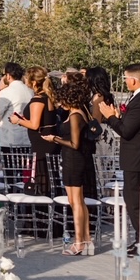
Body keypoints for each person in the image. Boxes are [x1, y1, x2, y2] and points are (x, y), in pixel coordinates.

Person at [97, 63, 140, 258]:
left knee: (139, 202)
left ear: (133, 80)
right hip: (137, 158)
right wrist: (118, 116)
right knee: (134, 200)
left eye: (126, 79)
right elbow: (130, 125)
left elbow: (126, 131)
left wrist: (110, 117)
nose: (125, 82)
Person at [44, 80, 96, 255]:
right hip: (74, 159)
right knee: (79, 201)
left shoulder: (75, 115)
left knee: (75, 202)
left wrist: (54, 139)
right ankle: (87, 240)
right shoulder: (81, 111)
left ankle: (79, 241)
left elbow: (74, 143)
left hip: (73, 159)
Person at [8, 66, 57, 196]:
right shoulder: (48, 97)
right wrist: (24, 120)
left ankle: (43, 207)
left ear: (33, 82)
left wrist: (17, 121)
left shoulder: (37, 100)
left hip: (41, 142)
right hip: (48, 141)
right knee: (49, 174)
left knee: (41, 175)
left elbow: (35, 125)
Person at [0, 62, 33, 153]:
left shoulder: (6, 92)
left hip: (9, 138)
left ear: (8, 76)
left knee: (9, 166)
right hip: (27, 137)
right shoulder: (30, 91)